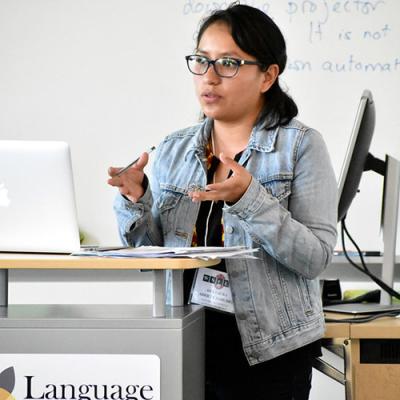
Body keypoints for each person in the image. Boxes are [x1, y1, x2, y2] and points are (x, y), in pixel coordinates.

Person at [108, 4, 337, 400]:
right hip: (184, 336)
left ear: (267, 76)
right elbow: (152, 255)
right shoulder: (173, 148)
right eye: (202, 61)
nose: (209, 77)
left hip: (270, 349)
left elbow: (315, 258)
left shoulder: (300, 146)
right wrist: (137, 199)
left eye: (228, 63)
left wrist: (251, 199)